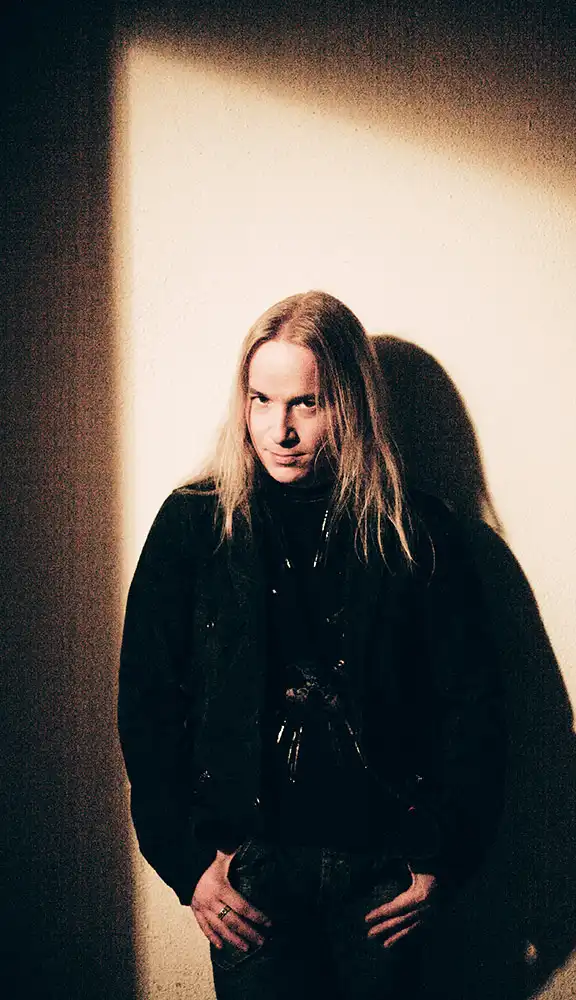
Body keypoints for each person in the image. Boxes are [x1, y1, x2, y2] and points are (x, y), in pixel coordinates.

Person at [118, 291, 505, 999]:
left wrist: (444, 854)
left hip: (384, 867)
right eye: (261, 400)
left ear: (350, 404)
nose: (281, 430)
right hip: (250, 871)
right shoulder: (193, 525)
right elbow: (147, 702)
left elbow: (473, 705)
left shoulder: (417, 530)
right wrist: (186, 862)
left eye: (307, 403)